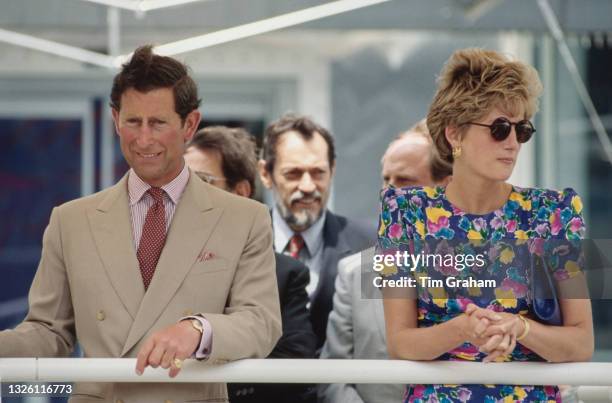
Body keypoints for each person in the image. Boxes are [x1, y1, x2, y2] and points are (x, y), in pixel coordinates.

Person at [0, 45, 281, 403]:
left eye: (159, 123)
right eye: (133, 122)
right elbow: (48, 333)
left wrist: (198, 329)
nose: (144, 139)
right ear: (115, 119)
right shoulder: (69, 221)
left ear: (190, 124)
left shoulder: (244, 218)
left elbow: (261, 322)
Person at [378, 48, 594, 402]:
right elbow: (400, 342)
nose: (512, 143)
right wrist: (463, 329)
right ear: (454, 135)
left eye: (522, 130)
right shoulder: (404, 212)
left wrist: (520, 327)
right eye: (499, 128)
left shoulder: (553, 212)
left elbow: (582, 341)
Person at [319, 121, 452, 403]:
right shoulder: (355, 273)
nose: (388, 194)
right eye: (386, 180)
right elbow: (333, 378)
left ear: (445, 187)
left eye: (404, 181)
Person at [184, 126, 317, 402]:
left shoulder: (284, 274)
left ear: (240, 191)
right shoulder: (154, 265)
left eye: (202, 181)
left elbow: (294, 370)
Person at [259, 114, 374, 349]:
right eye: (293, 174)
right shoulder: (241, 244)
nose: (308, 186)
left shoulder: (370, 245)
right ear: (265, 174)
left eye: (318, 173)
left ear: (333, 169)